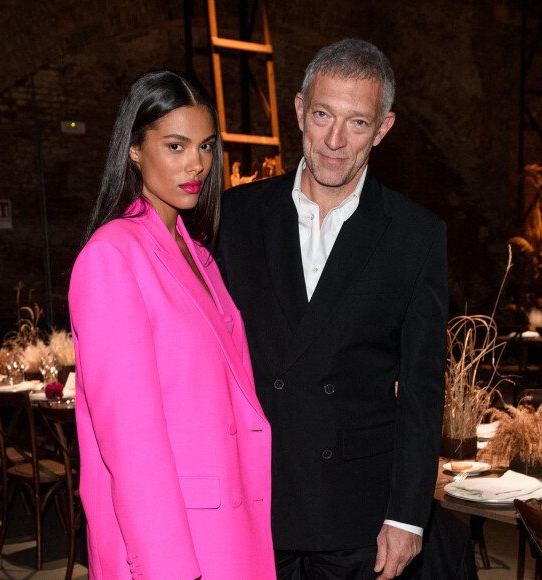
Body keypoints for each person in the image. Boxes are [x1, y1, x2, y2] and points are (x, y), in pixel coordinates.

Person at [215, 39, 450, 579]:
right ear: (299, 109)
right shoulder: (237, 216)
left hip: (356, 512)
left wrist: (408, 517)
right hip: (252, 498)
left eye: (358, 123)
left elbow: (422, 387)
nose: (335, 141)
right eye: (322, 115)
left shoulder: (416, 235)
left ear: (384, 128)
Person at [68, 70, 276, 579]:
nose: (197, 164)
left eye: (206, 146)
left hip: (231, 526)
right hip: (175, 543)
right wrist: (165, 568)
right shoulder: (112, 256)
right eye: (176, 145)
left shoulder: (199, 255)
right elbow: (131, 442)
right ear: (135, 149)